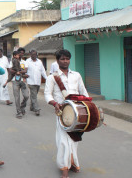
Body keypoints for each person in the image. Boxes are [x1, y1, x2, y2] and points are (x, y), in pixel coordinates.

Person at [44, 49, 88, 178]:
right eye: (62, 59)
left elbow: (83, 92)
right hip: (62, 112)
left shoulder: (77, 75)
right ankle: (64, 168)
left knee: (74, 140)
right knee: (63, 140)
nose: (65, 61)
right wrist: (54, 104)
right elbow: (47, 93)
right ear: (57, 61)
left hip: (78, 112)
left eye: (67, 58)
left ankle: (73, 163)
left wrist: (89, 107)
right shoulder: (52, 77)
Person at [8, 48, 29, 118]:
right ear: (16, 54)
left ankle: (22, 107)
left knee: (26, 96)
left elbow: (25, 71)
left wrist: (18, 72)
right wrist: (20, 72)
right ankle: (19, 112)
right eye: (19, 53)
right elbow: (10, 70)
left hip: (23, 81)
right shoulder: (12, 61)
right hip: (15, 81)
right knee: (17, 97)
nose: (21, 54)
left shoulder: (24, 62)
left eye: (22, 53)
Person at [26, 49, 47, 116]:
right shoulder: (27, 61)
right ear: (30, 55)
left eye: (35, 54)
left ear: (36, 54)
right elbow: (25, 70)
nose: (33, 55)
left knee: (34, 95)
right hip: (30, 81)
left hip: (38, 81)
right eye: (32, 54)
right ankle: (37, 109)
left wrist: (47, 78)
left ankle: (32, 107)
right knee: (34, 95)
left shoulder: (39, 62)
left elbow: (43, 71)